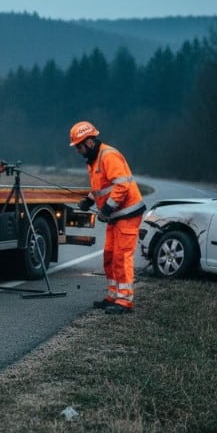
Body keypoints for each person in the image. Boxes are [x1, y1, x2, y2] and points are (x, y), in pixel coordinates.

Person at [69, 121, 146, 314]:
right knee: (110, 256)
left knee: (121, 256)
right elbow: (101, 188)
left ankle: (124, 301)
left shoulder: (108, 156)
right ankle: (113, 296)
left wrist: (107, 209)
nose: (77, 150)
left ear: (89, 142)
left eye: (78, 146)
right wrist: (89, 200)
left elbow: (121, 186)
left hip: (127, 214)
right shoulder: (93, 160)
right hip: (116, 215)